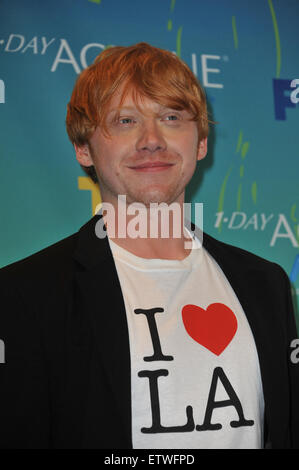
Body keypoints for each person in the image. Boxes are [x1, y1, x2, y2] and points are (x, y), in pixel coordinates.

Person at [0, 42, 298, 450]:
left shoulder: (266, 284)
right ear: (83, 148)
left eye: (171, 117)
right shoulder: (25, 294)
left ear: (201, 143)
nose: (152, 140)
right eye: (125, 121)